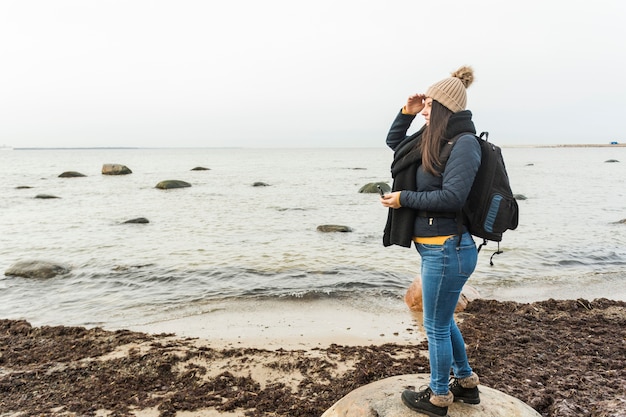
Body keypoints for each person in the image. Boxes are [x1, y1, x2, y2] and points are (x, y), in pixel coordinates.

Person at [380, 66, 482, 417]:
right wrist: (404, 113)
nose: (424, 109)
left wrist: (404, 198)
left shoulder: (465, 144)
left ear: (444, 109)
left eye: (428, 105)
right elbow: (397, 145)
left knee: (435, 325)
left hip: (448, 250)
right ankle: (466, 384)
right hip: (437, 250)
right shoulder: (432, 139)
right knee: (444, 321)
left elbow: (453, 197)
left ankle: (439, 396)